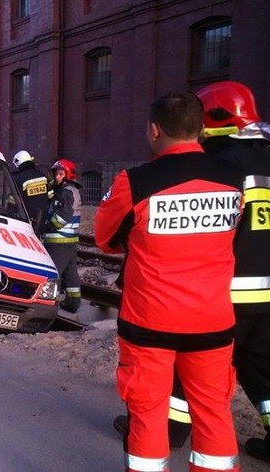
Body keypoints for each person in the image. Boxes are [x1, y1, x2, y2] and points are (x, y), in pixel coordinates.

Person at [95, 91, 242, 472]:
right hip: (212, 321)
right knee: (213, 412)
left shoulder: (137, 182)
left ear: (154, 130)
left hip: (150, 323)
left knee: (147, 414)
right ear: (201, 131)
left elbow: (106, 240)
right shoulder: (232, 179)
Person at [43, 158, 82, 313]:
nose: (57, 177)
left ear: (68, 175)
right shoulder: (67, 190)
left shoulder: (67, 192)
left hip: (58, 240)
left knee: (53, 272)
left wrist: (46, 227)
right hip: (69, 240)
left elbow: (62, 216)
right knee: (70, 273)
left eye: (60, 174)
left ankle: (48, 305)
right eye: (56, 174)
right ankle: (72, 303)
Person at [12, 150, 49, 235]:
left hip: (26, 222)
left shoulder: (20, 178)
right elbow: (51, 196)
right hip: (42, 221)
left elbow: (14, 201)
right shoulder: (43, 176)